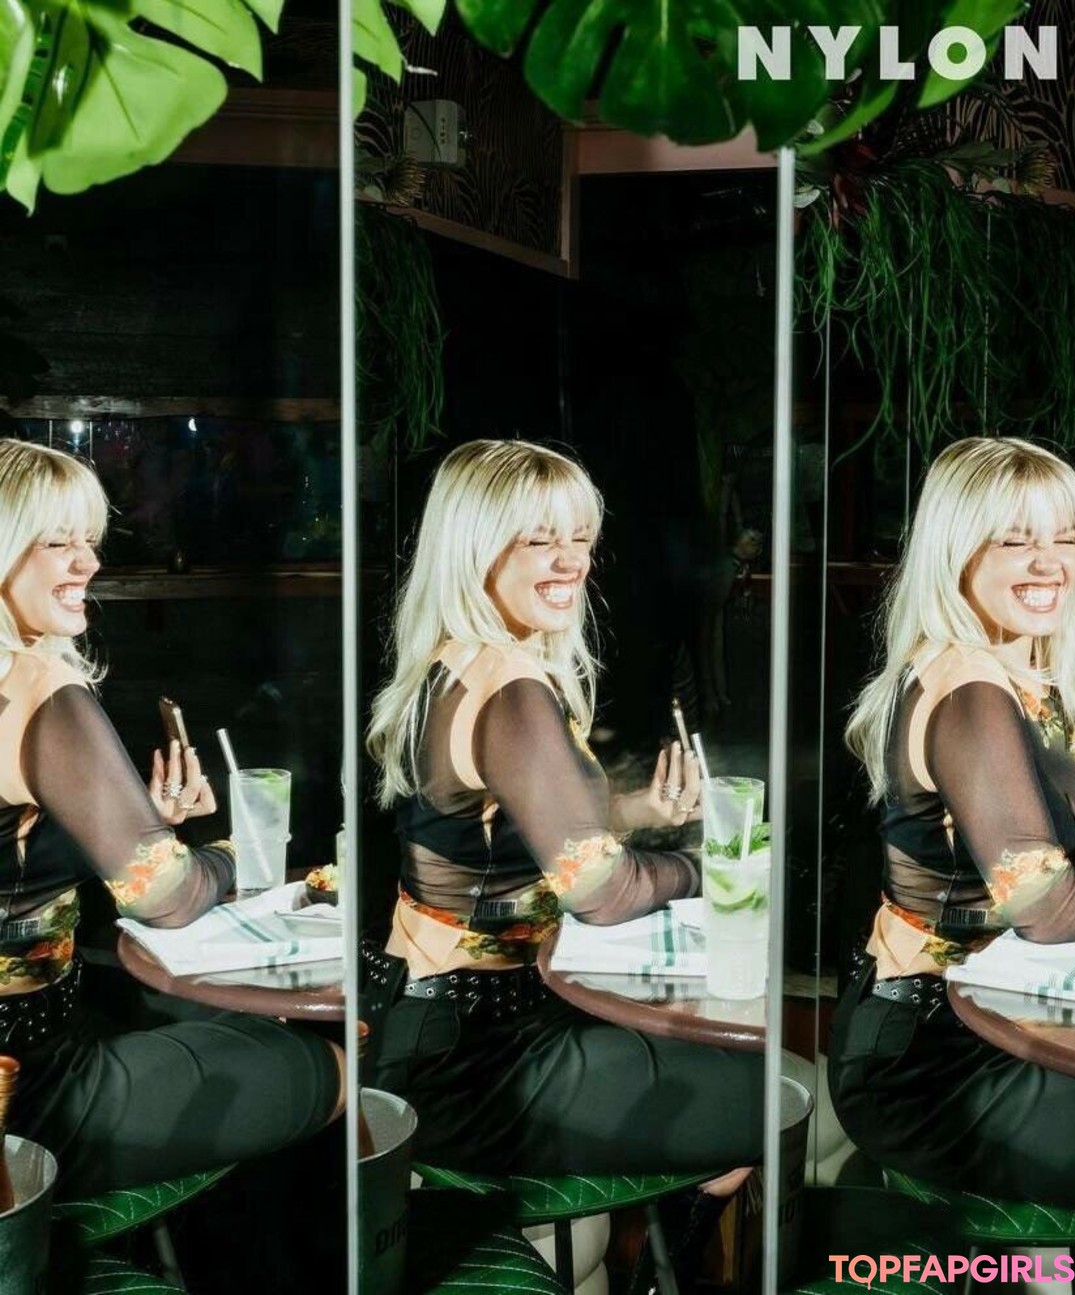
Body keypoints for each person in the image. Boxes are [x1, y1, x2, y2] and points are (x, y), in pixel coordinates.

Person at [365, 438, 763, 1180]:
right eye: (540, 540)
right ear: (475, 549)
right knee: (768, 1098)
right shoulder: (512, 687)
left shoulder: (453, 662)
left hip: (436, 1023)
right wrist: (711, 868)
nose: (570, 561)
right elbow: (602, 893)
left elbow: (499, 825)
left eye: (580, 539)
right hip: (479, 1055)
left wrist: (633, 810)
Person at [0, 438, 344, 1195]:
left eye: (89, 540)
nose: (88, 562)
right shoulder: (40, 686)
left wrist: (137, 822)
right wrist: (234, 854)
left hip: (34, 1060)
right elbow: (168, 897)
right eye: (56, 542)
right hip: (40, 1096)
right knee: (340, 1061)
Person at [830, 435, 1075, 1206]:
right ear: (956, 551)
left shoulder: (1033, 675)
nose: (1050, 563)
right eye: (1016, 540)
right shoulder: (968, 685)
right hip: (932, 1057)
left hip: (1014, 1021)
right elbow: (1046, 907)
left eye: (1067, 537)